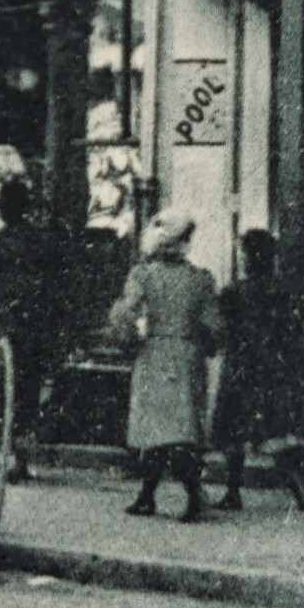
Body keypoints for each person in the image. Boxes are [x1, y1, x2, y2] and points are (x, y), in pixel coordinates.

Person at [110, 210, 224, 522]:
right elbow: (213, 326)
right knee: (181, 432)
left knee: (157, 433)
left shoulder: (143, 275)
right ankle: (164, 495)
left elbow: (123, 316)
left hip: (155, 353)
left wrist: (128, 340)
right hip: (187, 357)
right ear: (184, 241)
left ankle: (166, 496)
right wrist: (205, 343)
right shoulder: (199, 280)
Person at [211, 228, 304, 512]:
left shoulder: (233, 292)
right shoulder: (281, 291)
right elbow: (293, 332)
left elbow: (222, 330)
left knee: (234, 432)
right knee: (273, 432)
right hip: (272, 367)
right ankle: (300, 491)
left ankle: (233, 492)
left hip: (240, 365)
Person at [0, 176, 55, 481]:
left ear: (3, 211)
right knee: (26, 389)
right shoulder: (44, 245)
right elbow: (55, 292)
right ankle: (18, 454)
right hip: (31, 327)